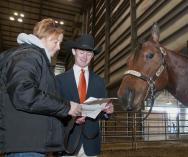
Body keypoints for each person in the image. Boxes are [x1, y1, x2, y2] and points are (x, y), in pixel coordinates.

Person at [0, 18, 82, 157]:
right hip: (26, 145)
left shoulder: (36, 58)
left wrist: (69, 115)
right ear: (43, 38)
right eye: (55, 42)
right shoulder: (28, 56)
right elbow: (23, 93)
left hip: (31, 143)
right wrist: (67, 106)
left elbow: (41, 104)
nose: (58, 47)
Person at [56, 34, 114, 157]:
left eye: (89, 53)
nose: (85, 56)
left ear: (92, 56)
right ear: (73, 51)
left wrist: (107, 112)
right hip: (67, 141)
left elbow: (101, 111)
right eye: (81, 52)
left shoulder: (100, 82)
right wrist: (72, 118)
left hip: (91, 141)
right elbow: (55, 108)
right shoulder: (59, 80)